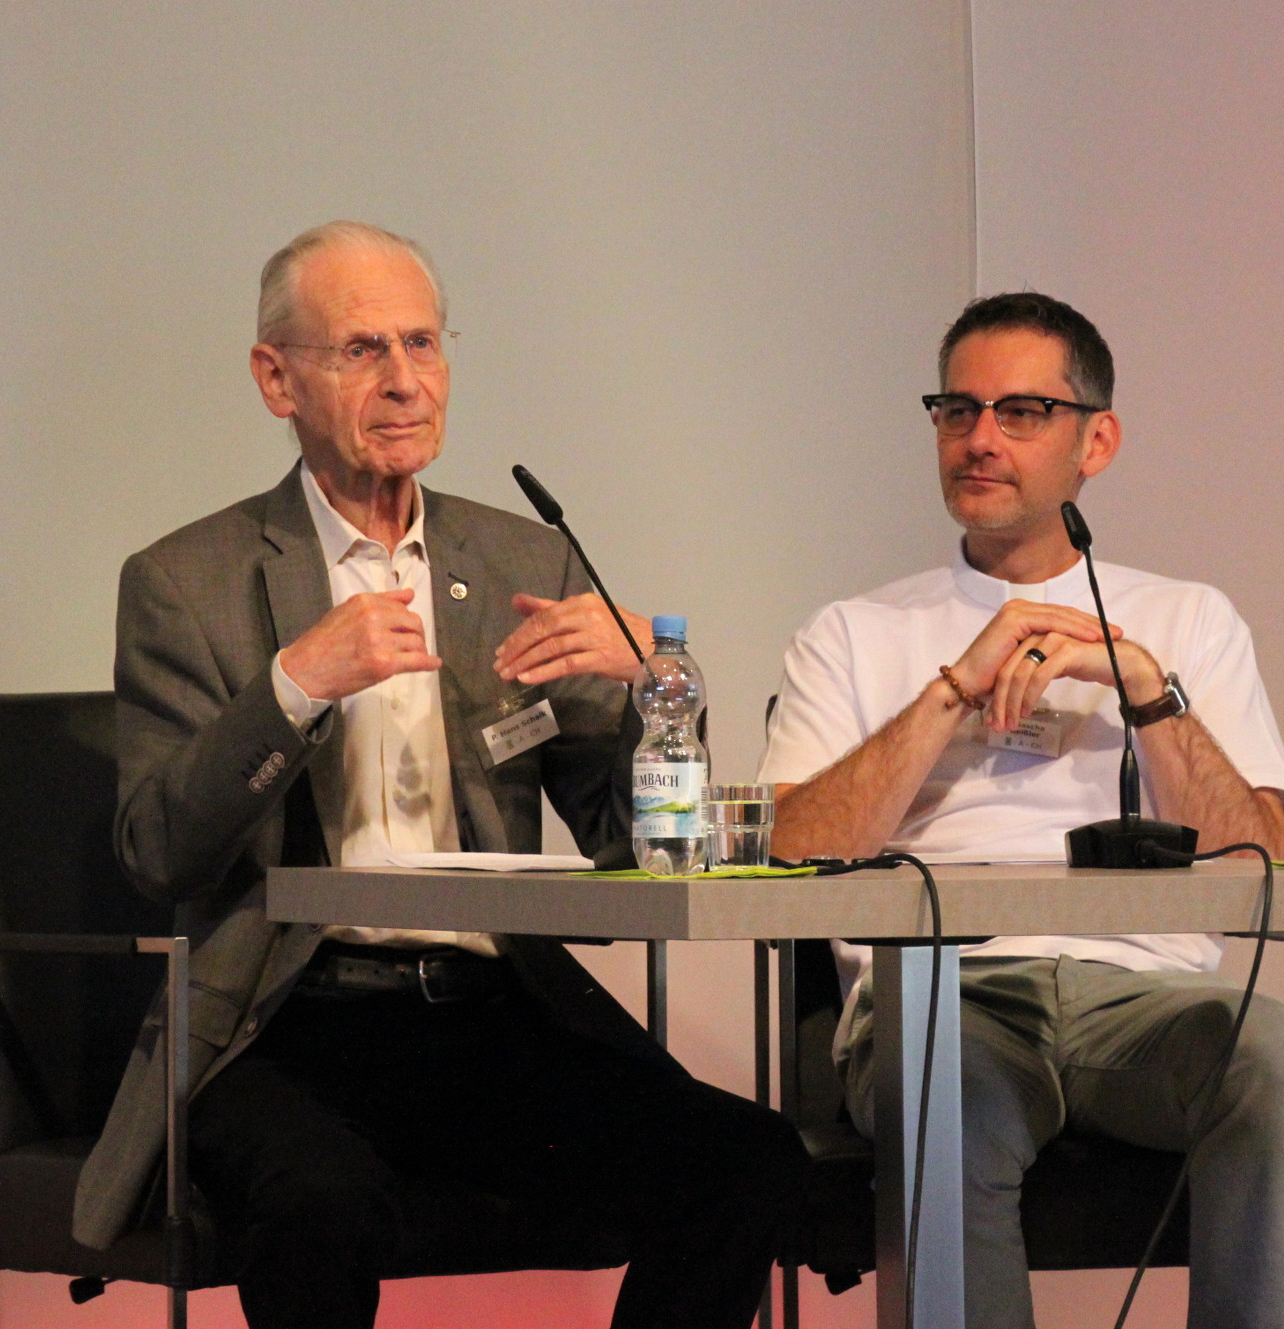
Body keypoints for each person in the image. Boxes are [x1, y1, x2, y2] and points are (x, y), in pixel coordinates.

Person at [73, 221, 805, 1329]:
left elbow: (637, 847)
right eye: (361, 348)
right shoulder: (187, 581)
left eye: (422, 343)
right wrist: (292, 687)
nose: (404, 380)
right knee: (320, 1203)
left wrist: (653, 694)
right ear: (276, 378)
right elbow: (159, 851)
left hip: (491, 1014)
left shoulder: (521, 561)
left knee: (744, 1163)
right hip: (284, 1021)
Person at [759, 291, 1284, 1329]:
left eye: (1020, 412)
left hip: (1144, 998)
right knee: (951, 1088)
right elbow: (791, 849)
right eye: (956, 410)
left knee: (1268, 1055)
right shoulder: (852, 631)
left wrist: (1145, 686)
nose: (979, 439)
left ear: (1095, 442)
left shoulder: (1186, 618)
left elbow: (1255, 853)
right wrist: (952, 689)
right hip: (939, 996)